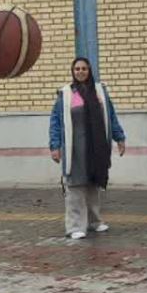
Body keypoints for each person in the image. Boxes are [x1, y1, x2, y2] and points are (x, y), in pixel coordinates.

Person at [48, 57, 126, 240]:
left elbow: (111, 116)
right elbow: (55, 122)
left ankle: (94, 221)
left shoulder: (100, 92)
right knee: (75, 186)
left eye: (84, 68)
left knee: (93, 183)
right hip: (74, 149)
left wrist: (119, 137)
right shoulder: (66, 94)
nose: (80, 72)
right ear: (72, 72)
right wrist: (55, 146)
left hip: (96, 146)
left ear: (89, 71)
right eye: (77, 69)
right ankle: (75, 226)